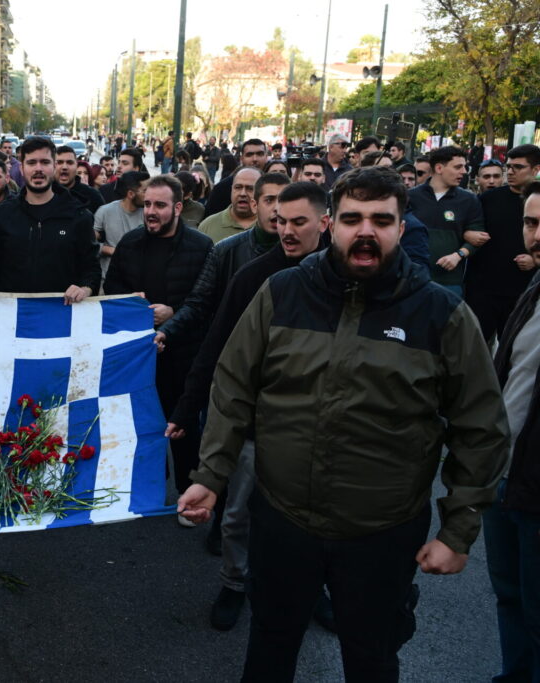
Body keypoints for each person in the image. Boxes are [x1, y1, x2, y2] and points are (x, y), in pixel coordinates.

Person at [179, 166, 510, 681]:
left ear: (402, 228)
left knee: (372, 656)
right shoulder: (281, 293)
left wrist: (459, 529)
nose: (366, 231)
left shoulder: (441, 314)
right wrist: (209, 476)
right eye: (353, 218)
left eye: (382, 220)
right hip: (283, 520)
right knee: (270, 646)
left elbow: (481, 425)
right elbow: (233, 386)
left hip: (382, 533)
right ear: (332, 224)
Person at [167, 181, 330, 631]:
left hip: (318, 433)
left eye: (299, 222)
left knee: (314, 524)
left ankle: (315, 590)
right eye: (281, 221)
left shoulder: (348, 279)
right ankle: (234, 584)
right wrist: (186, 408)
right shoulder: (253, 277)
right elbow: (217, 346)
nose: (288, 231)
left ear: (325, 222)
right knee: (237, 515)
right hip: (254, 425)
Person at [103, 174, 214, 509]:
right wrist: (130, 302)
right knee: (139, 426)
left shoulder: (201, 246)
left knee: (183, 431)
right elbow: (111, 292)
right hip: (138, 356)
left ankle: (187, 494)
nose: (151, 211)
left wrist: (172, 314)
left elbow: (205, 303)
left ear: (178, 207)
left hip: (182, 357)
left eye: (160, 205)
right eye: (147, 204)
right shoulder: (130, 243)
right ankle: (147, 491)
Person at [487, 180, 540, 683]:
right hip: (504, 477)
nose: (536, 235)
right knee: (509, 598)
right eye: (530, 222)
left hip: (536, 490)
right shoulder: (533, 289)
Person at [0, 136, 100, 303]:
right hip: (12, 314)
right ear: (22, 168)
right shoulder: (2, 214)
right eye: (32, 163)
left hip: (62, 312)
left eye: (45, 162)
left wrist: (85, 288)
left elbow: (91, 269)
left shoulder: (79, 215)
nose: (38, 169)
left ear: (54, 166)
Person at [465, 145, 540, 342]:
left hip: (522, 291)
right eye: (509, 166)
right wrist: (468, 233)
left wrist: (535, 260)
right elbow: (466, 226)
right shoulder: (488, 199)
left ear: (535, 169)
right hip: (483, 290)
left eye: (518, 167)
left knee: (513, 349)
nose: (511, 172)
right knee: (475, 347)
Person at [407, 145, 485, 297]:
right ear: (439, 168)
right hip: (412, 278)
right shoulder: (410, 196)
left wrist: (458, 255)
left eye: (464, 167)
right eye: (458, 167)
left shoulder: (469, 200)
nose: (463, 171)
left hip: (450, 283)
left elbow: (478, 237)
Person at [94, 171, 146, 276]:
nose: (150, 194)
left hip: (140, 277)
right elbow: (89, 244)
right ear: (131, 194)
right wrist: (109, 250)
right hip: (108, 277)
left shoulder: (150, 214)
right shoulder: (105, 211)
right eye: (145, 191)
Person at [203, 139, 267, 216]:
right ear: (241, 159)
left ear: (266, 157)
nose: (255, 159)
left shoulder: (274, 186)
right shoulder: (222, 189)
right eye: (249, 155)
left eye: (259, 154)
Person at [197, 167, 261, 243]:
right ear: (231, 189)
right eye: (238, 187)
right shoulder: (207, 226)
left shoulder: (271, 225)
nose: (242, 193)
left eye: (250, 189)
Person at [55, 145, 102, 214]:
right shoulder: (43, 194)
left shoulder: (93, 196)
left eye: (69, 163)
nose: (64, 167)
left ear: (76, 166)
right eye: (59, 162)